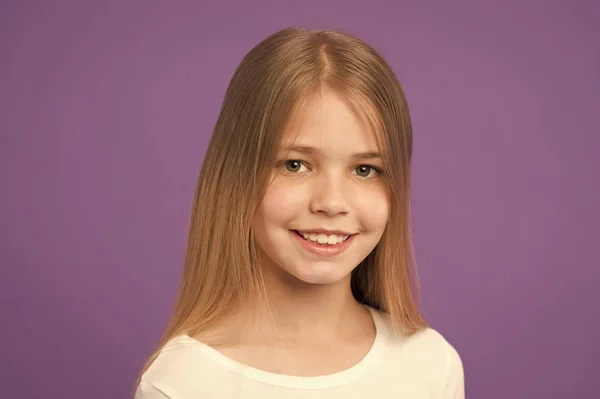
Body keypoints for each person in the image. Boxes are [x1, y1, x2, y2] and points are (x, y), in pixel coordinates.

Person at [135, 26, 464, 398]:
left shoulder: (431, 365)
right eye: (295, 165)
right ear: (235, 176)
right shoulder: (183, 382)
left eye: (364, 170)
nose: (331, 202)